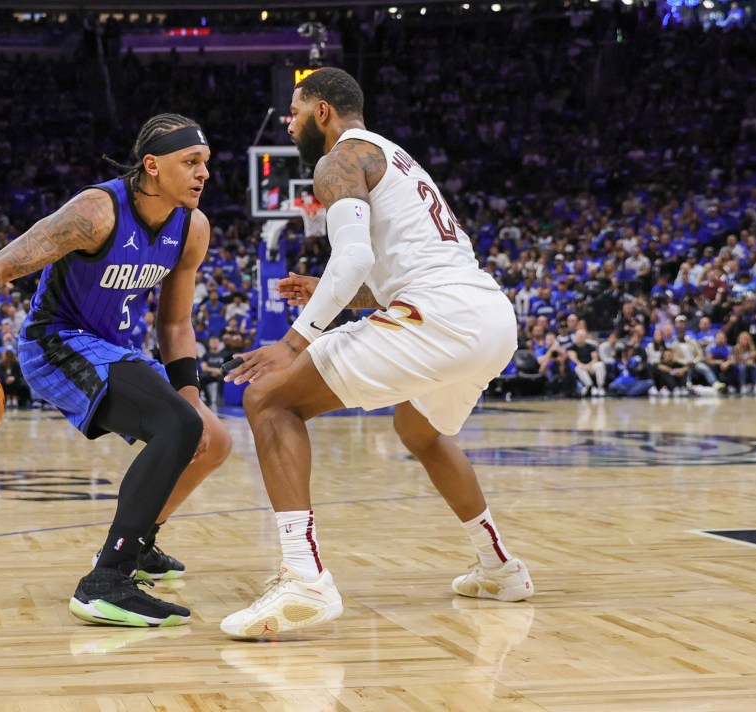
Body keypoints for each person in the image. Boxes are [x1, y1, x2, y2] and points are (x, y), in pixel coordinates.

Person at [220, 68, 533, 638]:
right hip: (489, 315)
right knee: (421, 431)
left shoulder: (337, 159)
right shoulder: (397, 158)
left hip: (440, 316)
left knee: (269, 399)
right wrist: (329, 289)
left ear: (323, 112)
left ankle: (304, 577)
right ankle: (500, 568)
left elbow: (356, 259)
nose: (287, 124)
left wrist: (294, 342)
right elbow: (394, 272)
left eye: (294, 111)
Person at [0, 113, 231, 628]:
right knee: (176, 426)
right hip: (54, 345)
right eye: (191, 162)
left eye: (206, 163)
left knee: (211, 438)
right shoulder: (97, 212)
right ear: (152, 166)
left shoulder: (192, 228)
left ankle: (141, 542)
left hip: (110, 348)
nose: (204, 173)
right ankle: (105, 581)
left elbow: (175, 323)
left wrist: (191, 393)